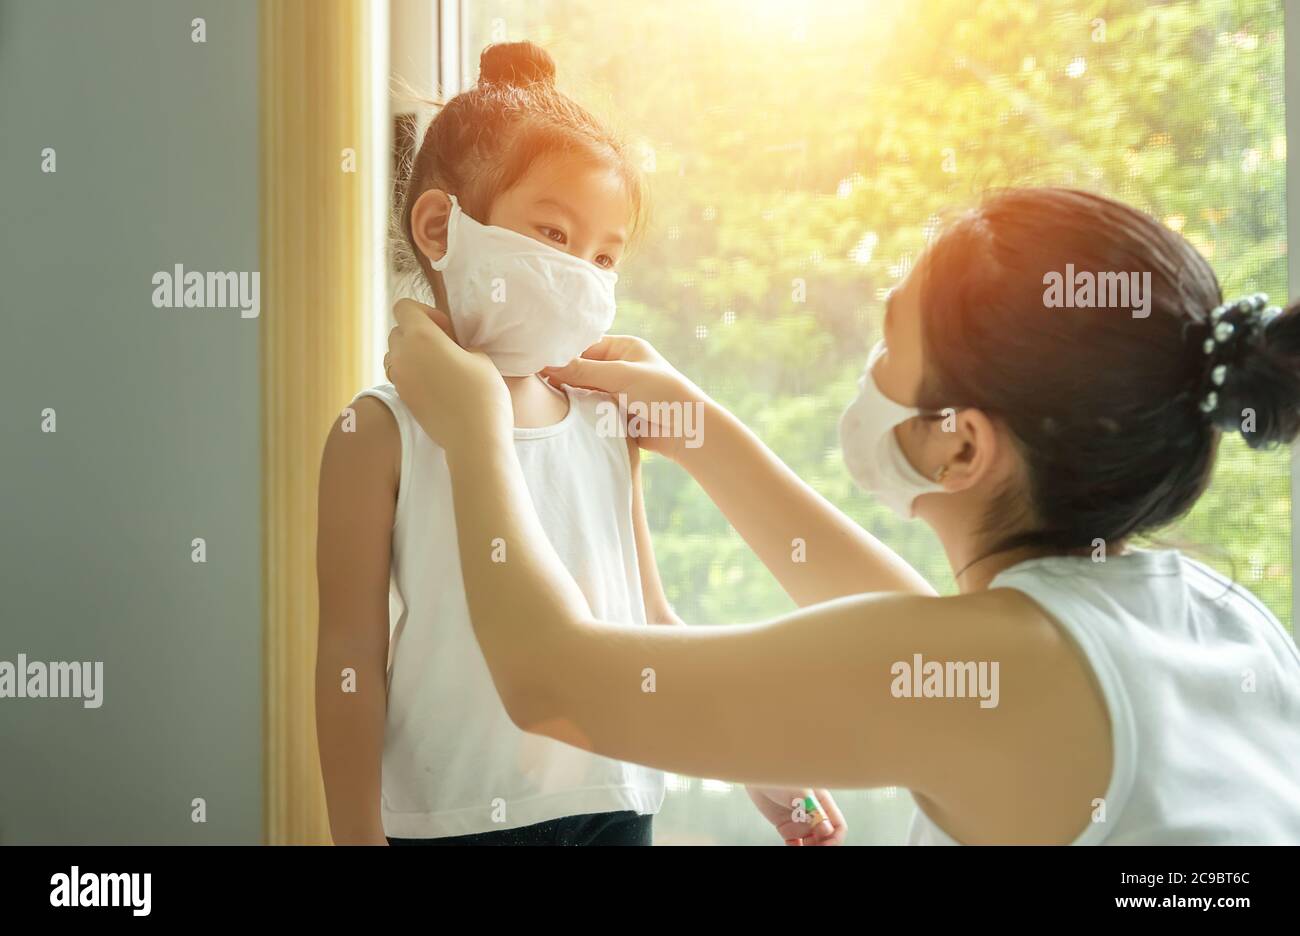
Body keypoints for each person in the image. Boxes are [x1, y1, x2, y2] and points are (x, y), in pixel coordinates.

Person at [385, 186, 1300, 844]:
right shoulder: (1218, 622)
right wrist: (700, 431)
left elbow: (557, 687)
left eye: (890, 341)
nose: (868, 367)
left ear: (963, 447)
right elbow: (927, 640)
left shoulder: (997, 665)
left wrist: (475, 431)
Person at [317, 40, 842, 846]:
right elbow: (349, 655)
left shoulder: (605, 422)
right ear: (440, 227)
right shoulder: (378, 432)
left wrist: (751, 762)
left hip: (618, 798)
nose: (585, 274)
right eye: (556, 237)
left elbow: (648, 623)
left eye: (605, 256)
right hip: (455, 815)